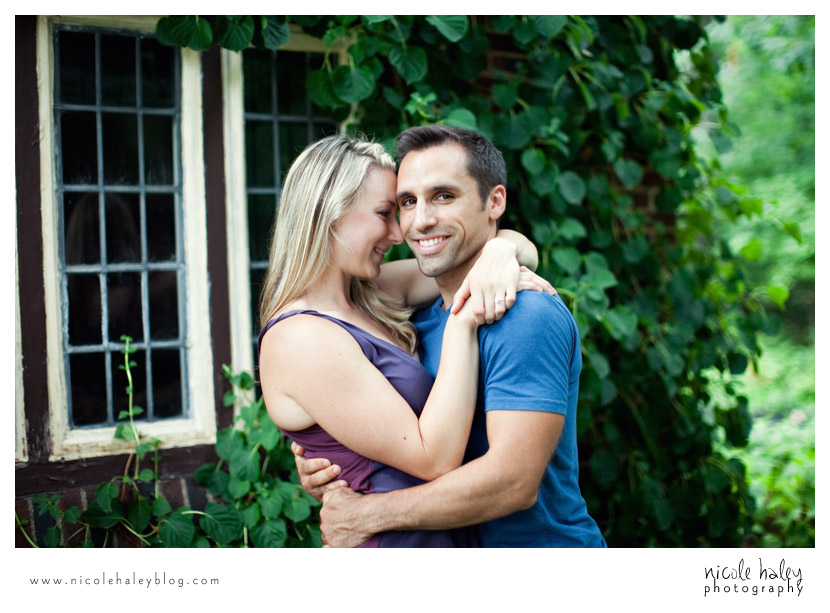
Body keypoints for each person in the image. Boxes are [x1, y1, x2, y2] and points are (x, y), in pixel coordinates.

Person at [296, 125, 606, 548]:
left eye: (443, 196)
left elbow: (513, 482)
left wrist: (368, 515)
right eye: (407, 202)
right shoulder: (405, 318)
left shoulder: (526, 316)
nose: (421, 221)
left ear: (495, 202)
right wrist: (333, 457)